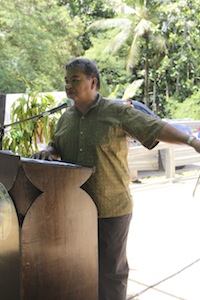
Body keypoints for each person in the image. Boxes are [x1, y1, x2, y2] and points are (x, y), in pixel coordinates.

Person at [31, 58, 200, 300]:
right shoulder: (65, 118)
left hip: (110, 208)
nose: (69, 86)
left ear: (93, 82)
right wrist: (48, 152)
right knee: (78, 270)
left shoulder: (117, 112)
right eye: (66, 81)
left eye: (75, 80)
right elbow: (56, 145)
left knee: (111, 274)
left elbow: (155, 127)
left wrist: (192, 142)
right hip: (72, 210)